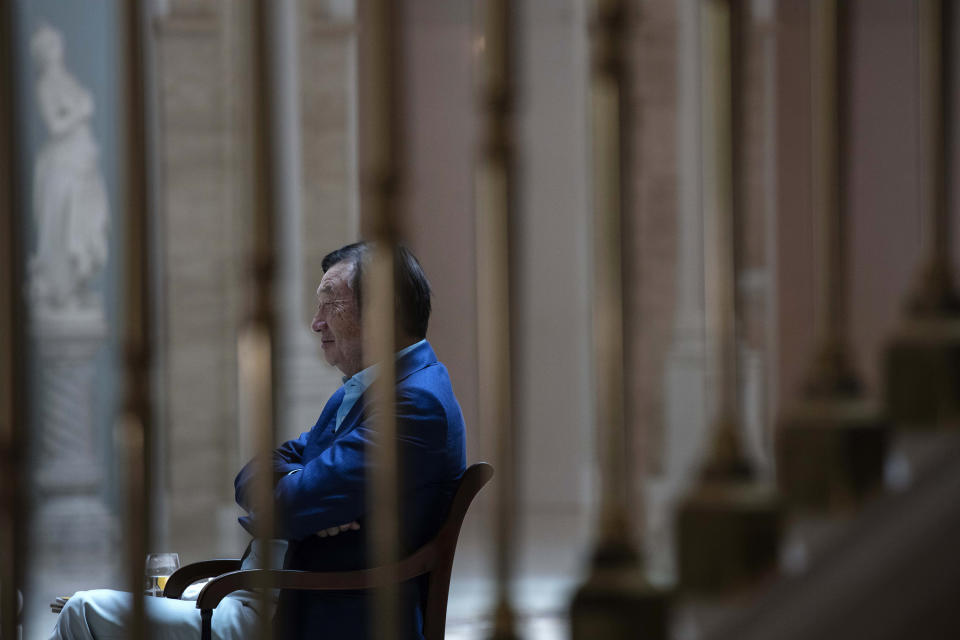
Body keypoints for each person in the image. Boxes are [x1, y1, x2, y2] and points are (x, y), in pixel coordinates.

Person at [51, 242, 467, 640]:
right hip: (274, 593)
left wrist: (297, 495)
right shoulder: (373, 389)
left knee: (83, 610)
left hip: (306, 616)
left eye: (330, 303)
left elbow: (289, 506)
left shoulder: (414, 403)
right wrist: (302, 488)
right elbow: (261, 473)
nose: (316, 321)